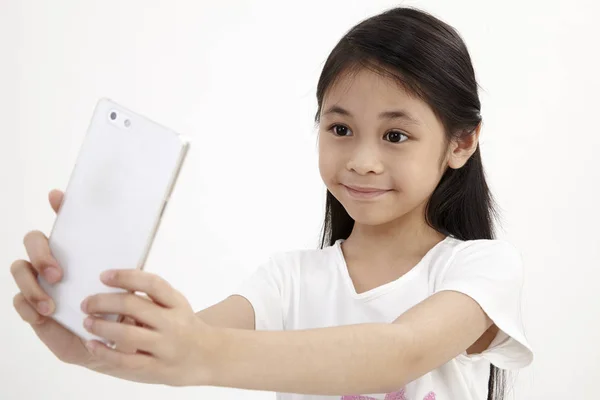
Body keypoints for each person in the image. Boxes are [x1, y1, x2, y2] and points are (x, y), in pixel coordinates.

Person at [10, 6, 533, 400]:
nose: (362, 160)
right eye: (341, 128)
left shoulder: (479, 269)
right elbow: (179, 343)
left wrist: (199, 353)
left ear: (461, 143)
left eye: (395, 135)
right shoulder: (286, 281)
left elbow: (402, 352)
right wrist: (96, 339)